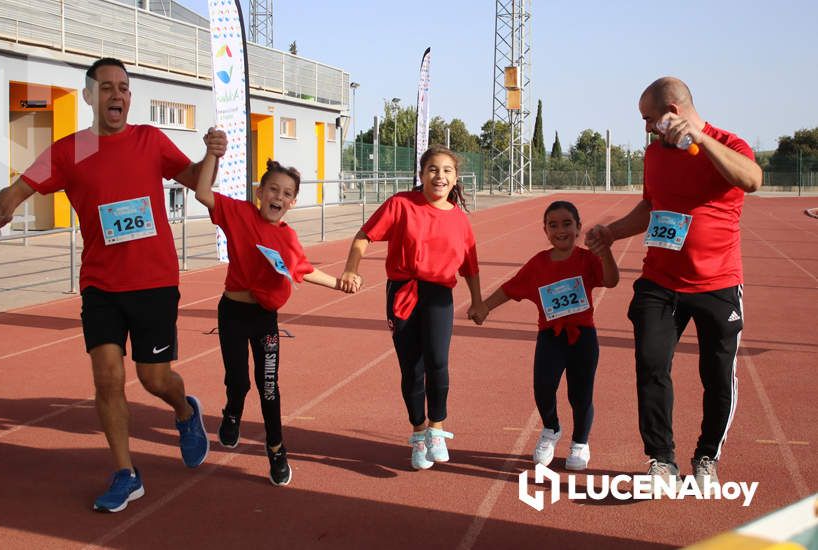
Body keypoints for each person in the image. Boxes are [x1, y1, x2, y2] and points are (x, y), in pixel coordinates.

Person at [0, 58, 226, 512]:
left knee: (154, 379)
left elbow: (195, 181)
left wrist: (212, 154)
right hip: (100, 285)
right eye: (107, 87)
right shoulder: (71, 151)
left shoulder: (150, 140)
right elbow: (17, 190)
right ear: (89, 96)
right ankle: (126, 473)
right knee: (107, 380)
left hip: (153, 281)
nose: (117, 95)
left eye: (124, 88)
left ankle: (185, 412)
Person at [585, 76, 762, 484]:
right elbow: (651, 205)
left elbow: (751, 180)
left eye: (649, 119)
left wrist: (702, 140)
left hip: (718, 284)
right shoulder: (655, 155)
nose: (646, 128)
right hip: (660, 281)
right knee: (651, 365)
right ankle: (661, 461)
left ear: (674, 113)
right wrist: (611, 232)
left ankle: (706, 458)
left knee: (717, 376)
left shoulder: (729, 144)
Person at [195, 155, 348, 486]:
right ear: (260, 192)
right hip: (233, 313)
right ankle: (232, 412)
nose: (278, 197)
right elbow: (202, 192)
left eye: (286, 193)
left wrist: (339, 283)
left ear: (292, 202)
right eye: (273, 189)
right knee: (238, 380)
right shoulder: (238, 214)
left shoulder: (289, 238)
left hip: (265, 319)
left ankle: (276, 450)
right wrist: (212, 155)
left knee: (268, 387)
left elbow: (304, 270)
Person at [339, 145, 484, 470]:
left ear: (456, 178)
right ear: (421, 175)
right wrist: (352, 267)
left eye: (447, 170)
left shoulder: (460, 220)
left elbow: (470, 266)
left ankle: (437, 427)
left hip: (439, 297)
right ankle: (418, 434)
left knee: (437, 361)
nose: (440, 176)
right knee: (412, 369)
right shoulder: (401, 204)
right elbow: (364, 236)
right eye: (433, 169)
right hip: (403, 293)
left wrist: (477, 301)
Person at [471, 201, 618, 470]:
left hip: (583, 337)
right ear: (545, 230)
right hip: (550, 337)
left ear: (578, 227)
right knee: (543, 388)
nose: (560, 230)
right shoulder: (538, 263)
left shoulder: (587, 259)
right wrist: (484, 307)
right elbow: (510, 289)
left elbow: (610, 280)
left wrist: (605, 253)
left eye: (567, 224)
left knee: (580, 394)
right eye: (553, 225)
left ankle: (580, 443)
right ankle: (551, 429)